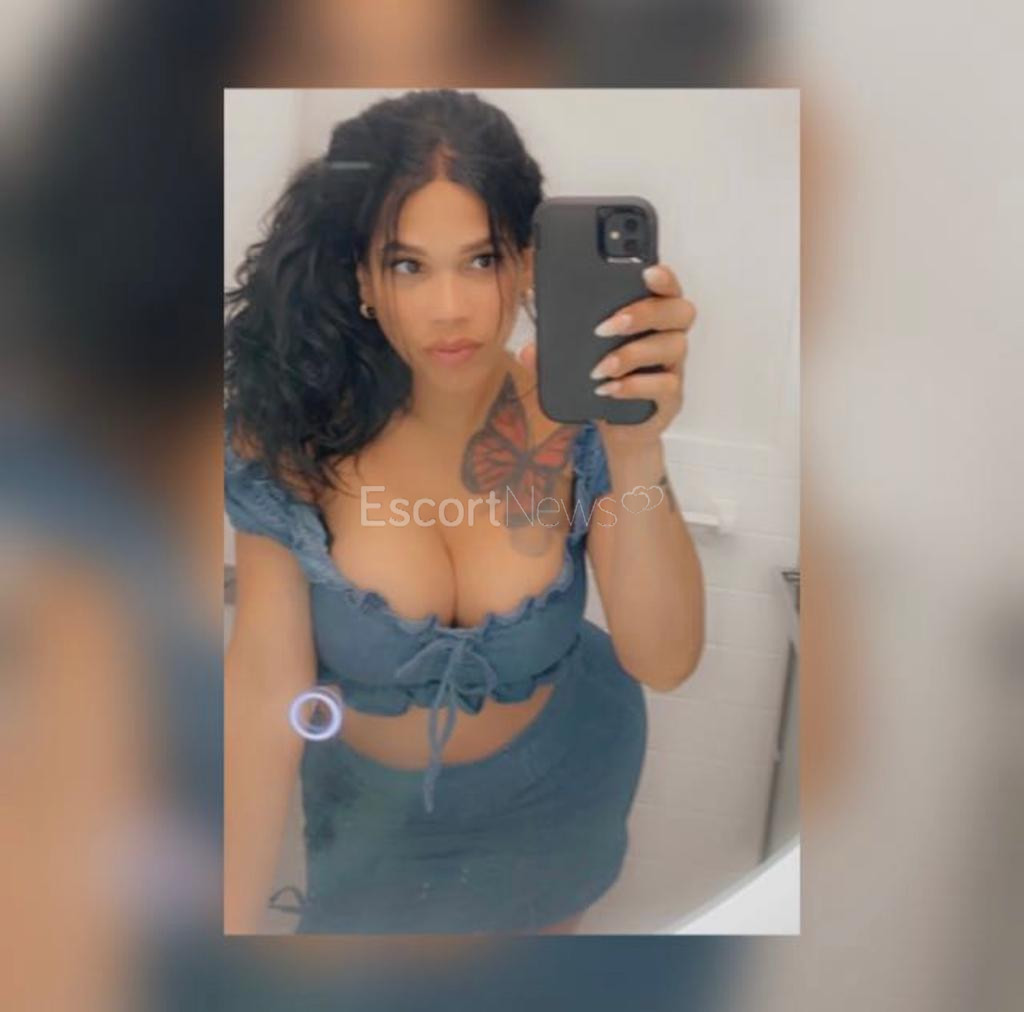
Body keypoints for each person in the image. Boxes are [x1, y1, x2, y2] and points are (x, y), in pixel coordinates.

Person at [224, 88, 703, 934]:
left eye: (480, 259)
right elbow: (266, 691)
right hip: (368, 822)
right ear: (363, 279)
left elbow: (664, 661)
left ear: (526, 262)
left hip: (559, 793)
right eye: (408, 265)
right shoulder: (291, 437)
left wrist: (636, 450)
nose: (450, 308)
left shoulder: (578, 420)